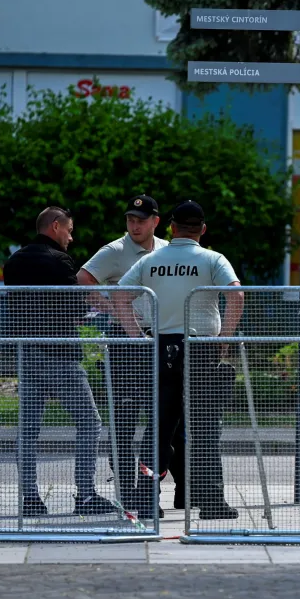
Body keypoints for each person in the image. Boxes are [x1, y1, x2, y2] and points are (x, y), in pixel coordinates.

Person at [116, 200, 244, 520]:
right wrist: (224, 340)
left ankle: (146, 499)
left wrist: (136, 338)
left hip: (162, 346)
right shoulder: (213, 259)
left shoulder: (152, 260)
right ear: (202, 229)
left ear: (171, 228)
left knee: (159, 426)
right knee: (204, 427)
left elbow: (119, 294)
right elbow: (236, 295)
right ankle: (211, 500)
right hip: (201, 347)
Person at [4, 207, 117, 517]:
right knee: (90, 422)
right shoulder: (59, 261)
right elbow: (70, 306)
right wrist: (93, 313)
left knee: (28, 429)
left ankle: (31, 499)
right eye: (68, 230)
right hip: (59, 353)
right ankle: (85, 496)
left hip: (26, 352)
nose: (71, 236)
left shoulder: (13, 262)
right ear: (55, 227)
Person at [77, 195, 168, 515]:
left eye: (141, 220)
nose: (134, 226)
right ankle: (126, 486)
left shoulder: (167, 249)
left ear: (155, 221)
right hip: (125, 340)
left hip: (159, 339)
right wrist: (105, 305)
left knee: (160, 417)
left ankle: (148, 488)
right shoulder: (115, 250)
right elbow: (83, 278)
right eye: (130, 219)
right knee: (125, 416)